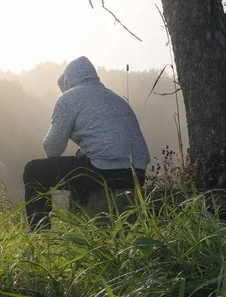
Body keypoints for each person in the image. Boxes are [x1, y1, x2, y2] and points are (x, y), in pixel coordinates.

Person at [23, 56, 150, 230]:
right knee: (80, 163)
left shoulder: (69, 98)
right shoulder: (115, 98)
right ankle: (79, 227)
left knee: (34, 170)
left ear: (67, 81)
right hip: (137, 174)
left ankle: (39, 235)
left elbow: (52, 149)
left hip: (105, 171)